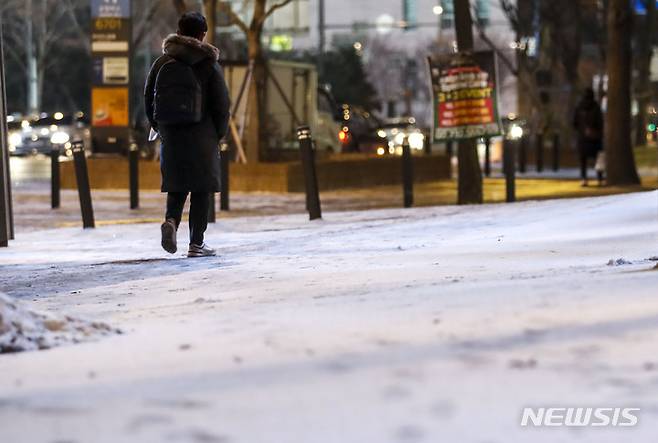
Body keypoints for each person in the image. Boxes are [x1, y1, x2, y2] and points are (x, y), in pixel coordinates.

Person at [144, 12, 230, 257]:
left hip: (171, 134)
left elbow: (148, 98)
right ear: (203, 34)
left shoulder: (162, 62)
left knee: (177, 185)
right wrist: (218, 134)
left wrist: (160, 127)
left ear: (179, 32)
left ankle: (171, 221)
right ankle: (196, 243)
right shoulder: (208, 62)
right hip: (203, 135)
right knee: (202, 189)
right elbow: (221, 105)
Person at [573, 88, 604, 186]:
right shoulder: (596, 107)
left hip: (582, 138)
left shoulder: (579, 107)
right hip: (595, 139)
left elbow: (574, 123)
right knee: (598, 159)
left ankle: (584, 179)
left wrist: (581, 130)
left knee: (583, 160)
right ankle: (599, 179)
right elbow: (600, 123)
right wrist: (595, 130)